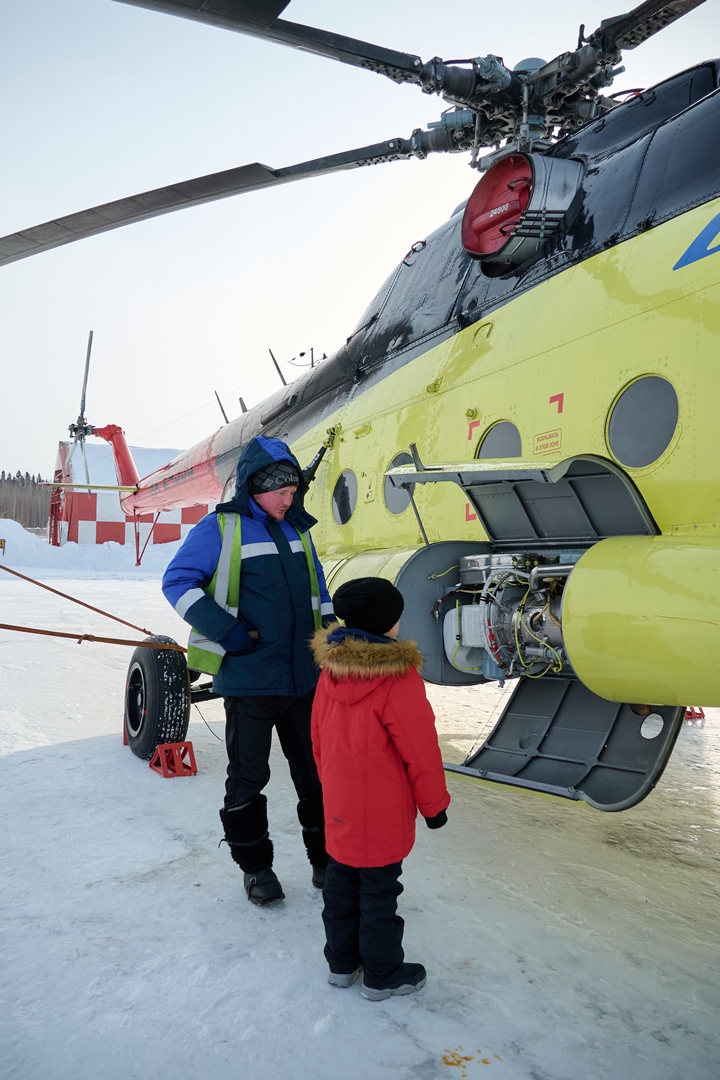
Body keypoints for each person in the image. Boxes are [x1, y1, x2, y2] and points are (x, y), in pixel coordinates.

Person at [162, 435, 334, 906]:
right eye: (279, 490)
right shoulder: (221, 528)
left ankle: (326, 862)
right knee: (247, 778)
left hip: (304, 679)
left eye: (292, 489)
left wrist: (334, 636)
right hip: (250, 680)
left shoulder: (299, 530)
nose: (288, 498)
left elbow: (320, 591)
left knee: (318, 776)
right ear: (255, 487)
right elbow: (176, 582)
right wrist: (229, 633)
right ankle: (256, 869)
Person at [310, 576, 450, 1001]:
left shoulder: (331, 668)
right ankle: (382, 973)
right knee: (379, 892)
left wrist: (331, 784)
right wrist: (434, 806)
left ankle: (341, 963)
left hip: (339, 805)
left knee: (341, 885)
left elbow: (317, 734)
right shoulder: (397, 678)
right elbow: (419, 747)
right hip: (383, 810)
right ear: (388, 623)